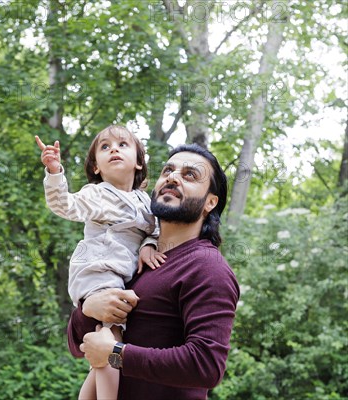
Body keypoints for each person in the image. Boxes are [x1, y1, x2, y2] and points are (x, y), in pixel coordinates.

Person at [69, 144, 240, 400]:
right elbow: (78, 345)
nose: (172, 177)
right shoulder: (130, 256)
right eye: (167, 171)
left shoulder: (206, 266)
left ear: (210, 202)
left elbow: (206, 365)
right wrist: (88, 308)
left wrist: (117, 353)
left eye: (190, 175)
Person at [35, 126, 167, 400]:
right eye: (105, 147)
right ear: (96, 167)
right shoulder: (98, 194)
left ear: (139, 161)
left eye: (122, 144)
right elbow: (64, 206)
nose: (114, 149)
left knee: (104, 347)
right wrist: (55, 172)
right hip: (98, 269)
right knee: (112, 341)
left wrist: (149, 245)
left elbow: (156, 229)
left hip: (120, 273)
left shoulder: (144, 201)